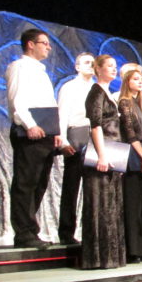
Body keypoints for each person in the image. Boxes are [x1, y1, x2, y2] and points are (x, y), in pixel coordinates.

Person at [5, 28, 62, 248]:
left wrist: (56, 131)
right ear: (30, 44)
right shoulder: (20, 67)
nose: (48, 47)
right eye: (44, 43)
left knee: (39, 183)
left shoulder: (41, 71)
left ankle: (30, 229)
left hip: (46, 132)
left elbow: (49, 102)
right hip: (30, 131)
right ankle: (24, 233)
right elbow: (17, 99)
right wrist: (29, 124)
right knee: (26, 182)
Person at [81, 54, 126, 269]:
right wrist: (102, 155)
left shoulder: (110, 94)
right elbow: (96, 125)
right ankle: (98, 258)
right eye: (109, 66)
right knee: (101, 204)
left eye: (115, 66)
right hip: (103, 153)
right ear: (98, 69)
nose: (114, 69)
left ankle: (112, 257)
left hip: (114, 153)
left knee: (112, 205)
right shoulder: (96, 91)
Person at [118, 69, 142, 262]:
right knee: (134, 202)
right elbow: (130, 133)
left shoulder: (140, 104)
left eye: (141, 79)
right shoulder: (125, 102)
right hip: (134, 153)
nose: (140, 82)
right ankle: (134, 250)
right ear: (127, 81)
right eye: (135, 79)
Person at [56, 52, 95, 245]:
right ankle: (66, 232)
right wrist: (63, 140)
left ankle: (91, 232)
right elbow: (62, 114)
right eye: (86, 62)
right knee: (72, 185)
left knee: (93, 186)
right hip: (76, 133)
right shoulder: (69, 87)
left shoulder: (98, 88)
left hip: (95, 136)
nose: (91, 65)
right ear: (77, 67)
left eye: (93, 63)